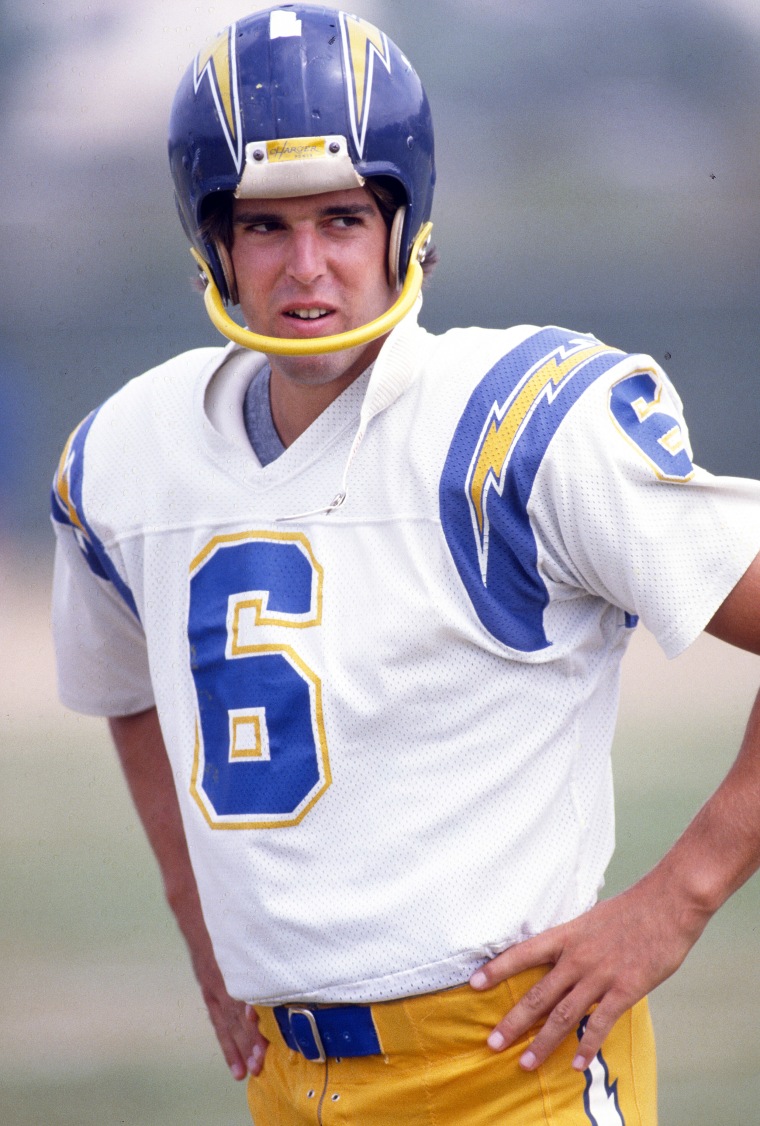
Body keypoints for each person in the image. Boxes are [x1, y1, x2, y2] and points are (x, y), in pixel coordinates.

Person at [50, 6, 760, 1124]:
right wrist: (204, 928)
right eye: (264, 226)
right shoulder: (129, 457)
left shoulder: (518, 425)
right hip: (287, 1084)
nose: (307, 266)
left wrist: (679, 897)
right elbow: (129, 689)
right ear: (211, 239)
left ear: (405, 222)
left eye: (342, 217)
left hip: (511, 1066)